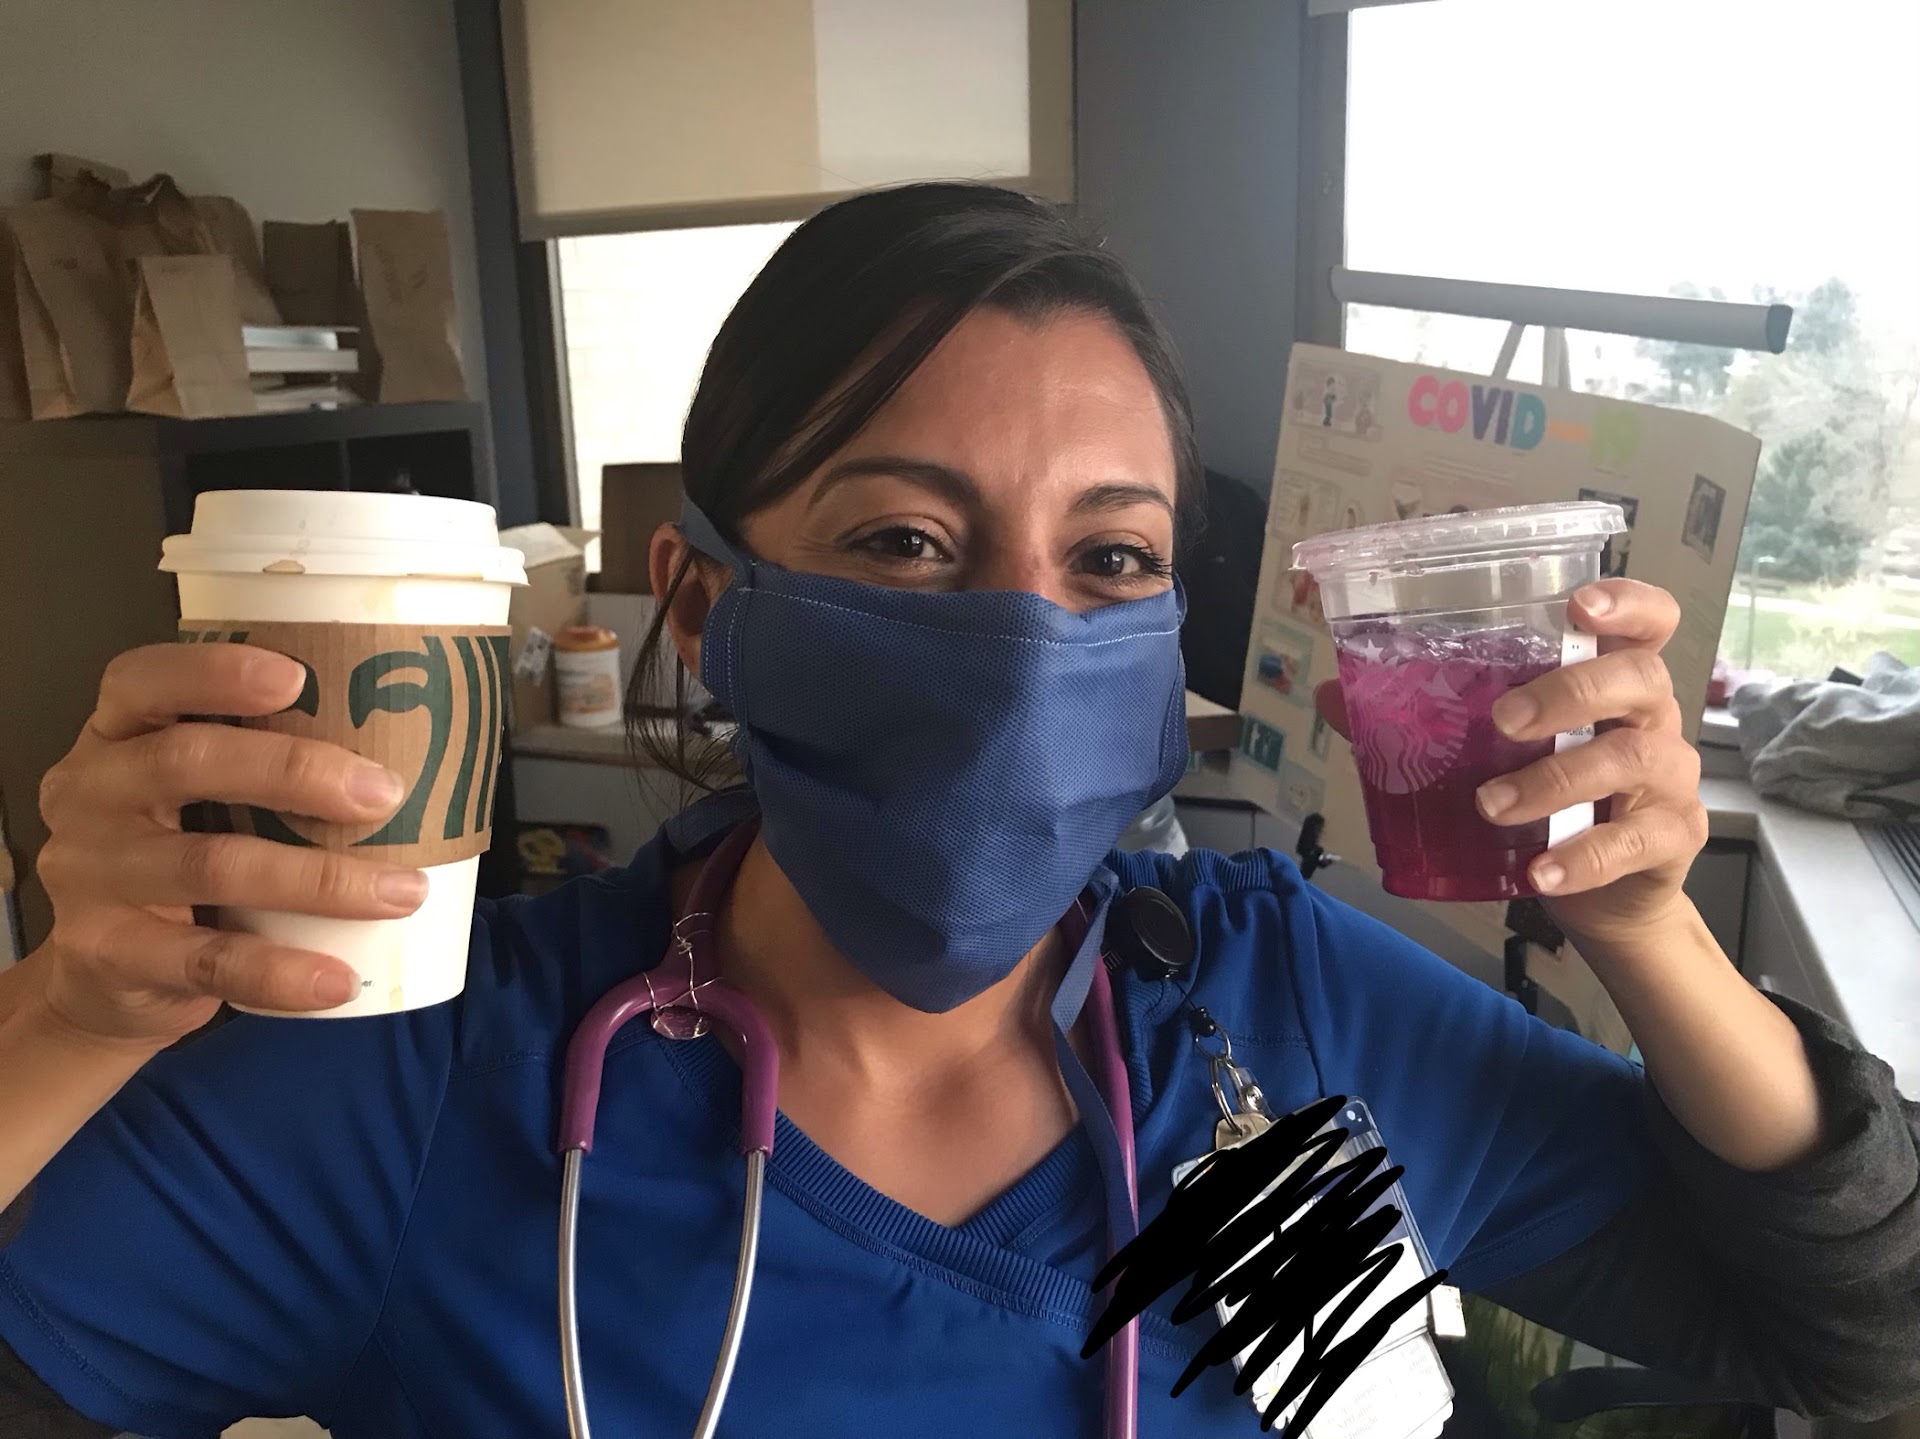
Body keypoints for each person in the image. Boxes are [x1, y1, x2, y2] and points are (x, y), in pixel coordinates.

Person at [2, 184, 1917, 1438]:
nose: (1020, 645)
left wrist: (1645, 927)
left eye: (1111, 559)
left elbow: (1864, 1336)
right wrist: (70, 1016)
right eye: (906, 541)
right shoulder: (437, 1078)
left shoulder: (1286, 1019)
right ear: (705, 607)